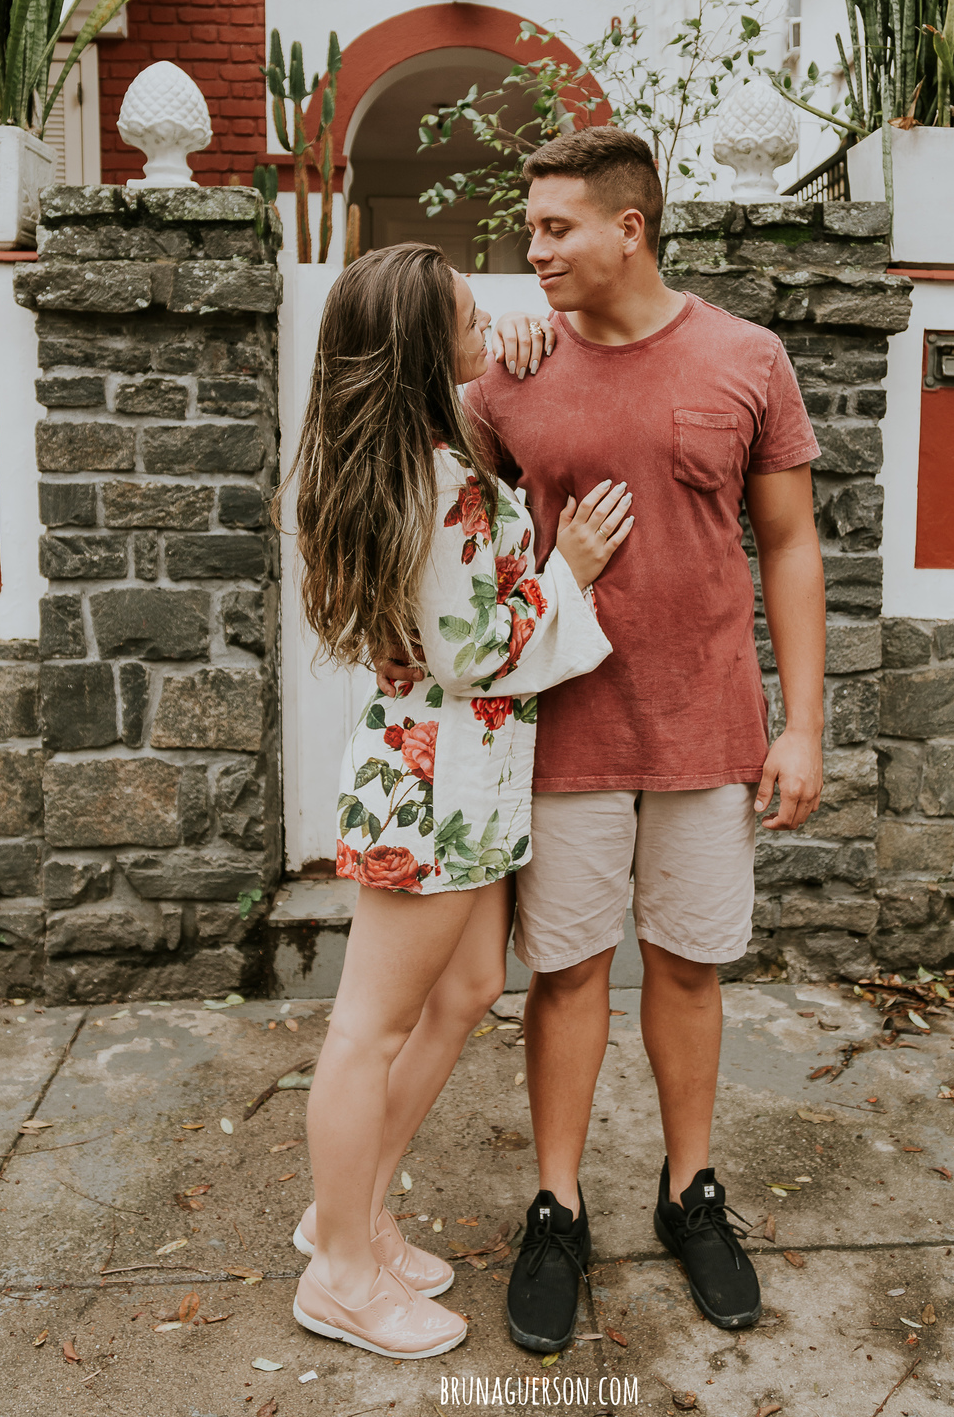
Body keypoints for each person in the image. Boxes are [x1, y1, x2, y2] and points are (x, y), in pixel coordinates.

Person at [377, 127, 826, 1353]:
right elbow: (407, 479)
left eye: (554, 227)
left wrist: (804, 725)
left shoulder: (748, 357)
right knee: (568, 973)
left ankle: (690, 1196)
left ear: (631, 226)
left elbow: (787, 544)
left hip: (708, 727)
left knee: (689, 964)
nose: (533, 250)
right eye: (529, 230)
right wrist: (494, 349)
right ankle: (558, 1208)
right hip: (562, 732)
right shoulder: (511, 373)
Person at [278, 241, 634, 1360]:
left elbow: (458, 627)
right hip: (433, 783)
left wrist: (521, 352)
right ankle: (337, 1267)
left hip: (458, 779)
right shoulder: (431, 479)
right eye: (474, 318)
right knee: (366, 1028)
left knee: (473, 983)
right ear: (428, 346)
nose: (495, 325)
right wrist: (568, 566)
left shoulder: (415, 456)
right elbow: (478, 648)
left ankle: (357, 1211)